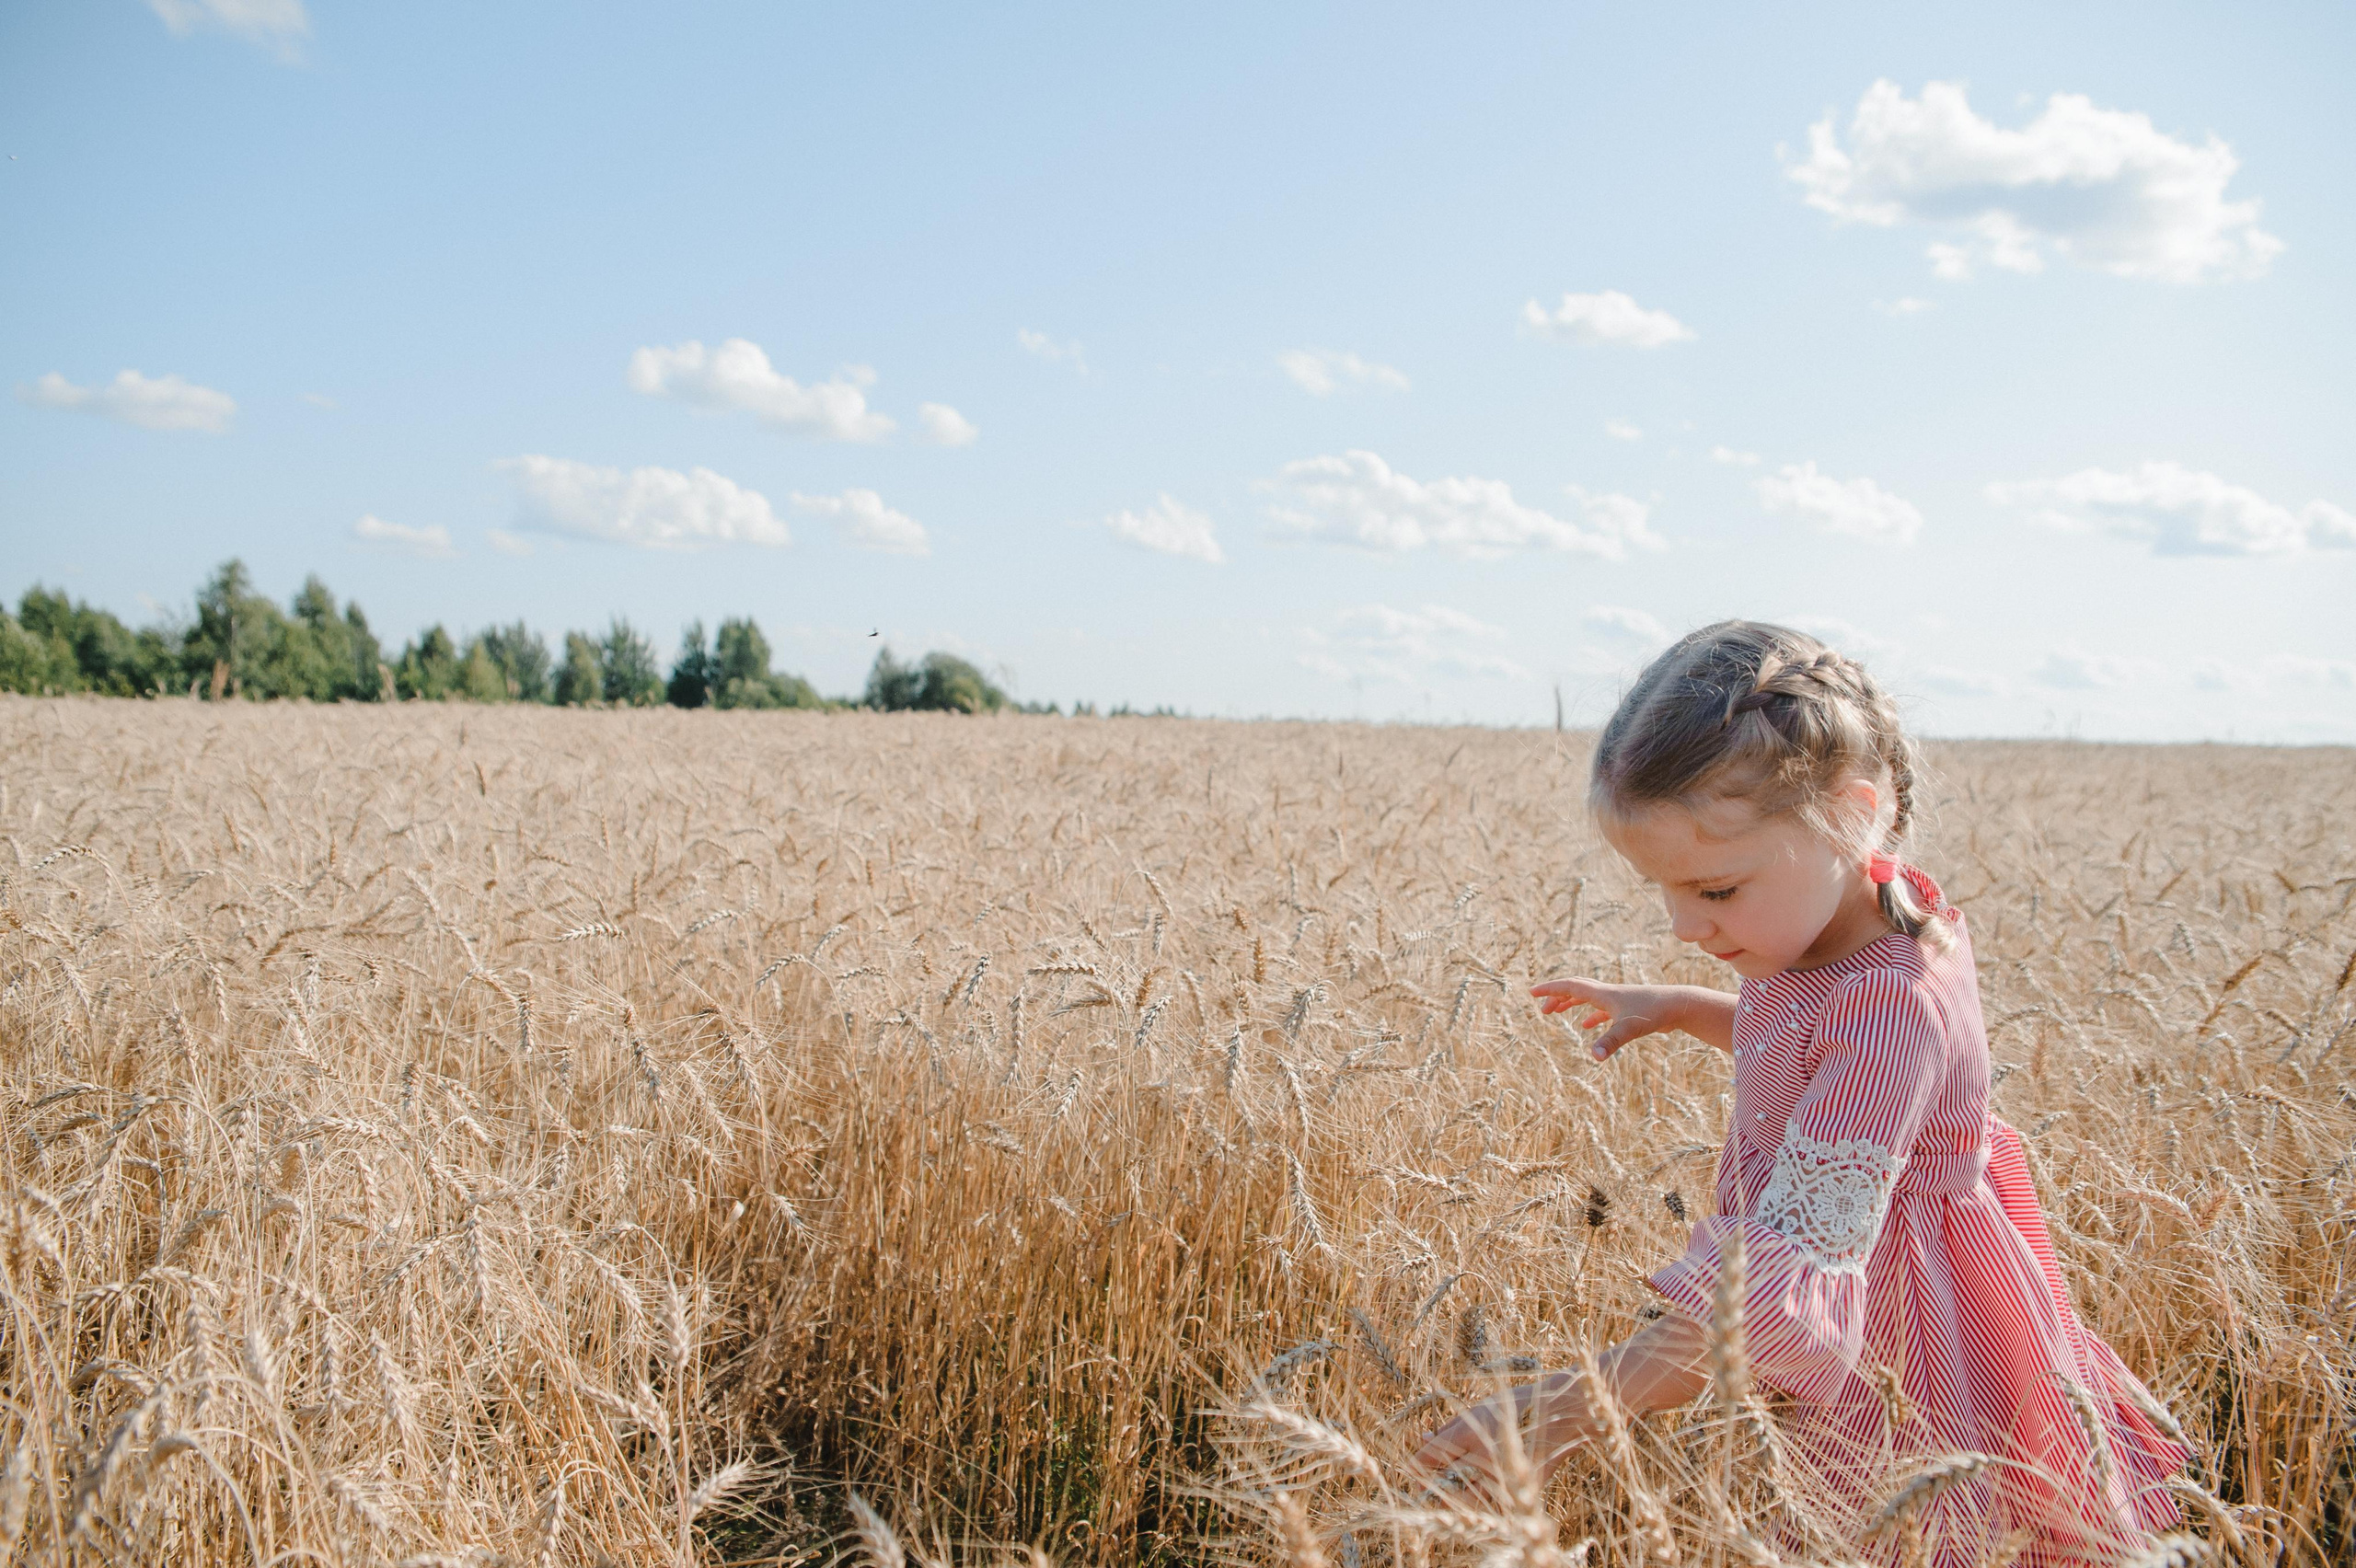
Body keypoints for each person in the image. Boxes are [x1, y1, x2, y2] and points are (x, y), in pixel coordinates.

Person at [1412, 621, 2187, 1563]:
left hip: (1904, 1334)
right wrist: (1682, 1007)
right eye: (1662, 890)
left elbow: (1783, 1280)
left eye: (1715, 891)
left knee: (1916, 1530)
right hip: (1852, 1296)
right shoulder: (1838, 923)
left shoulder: (1890, 1002)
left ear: (1853, 816)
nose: (1683, 925)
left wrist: (1571, 1405)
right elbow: (1813, 1048)